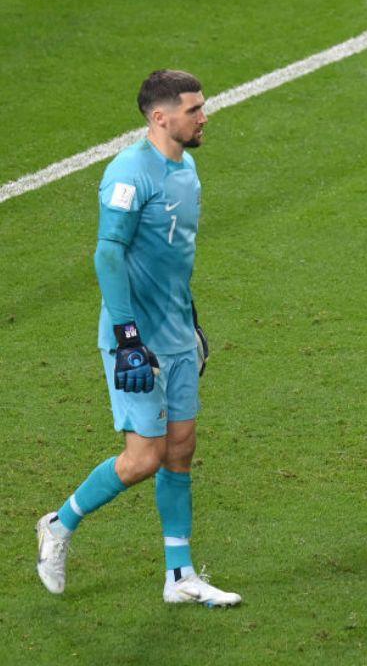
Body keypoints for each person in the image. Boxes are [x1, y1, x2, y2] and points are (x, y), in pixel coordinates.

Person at [35, 70, 241, 606]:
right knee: (143, 457)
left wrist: (190, 319)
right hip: (137, 341)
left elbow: (174, 256)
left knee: (181, 450)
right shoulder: (128, 174)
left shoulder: (188, 167)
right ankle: (59, 524)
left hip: (176, 334)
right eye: (194, 109)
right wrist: (128, 337)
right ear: (161, 117)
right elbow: (108, 253)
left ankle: (180, 577)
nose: (204, 116)